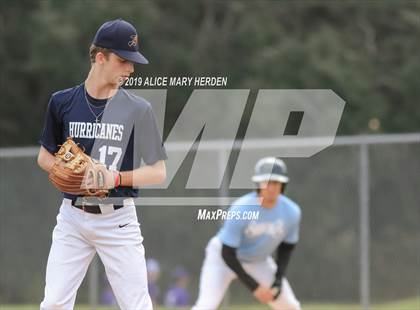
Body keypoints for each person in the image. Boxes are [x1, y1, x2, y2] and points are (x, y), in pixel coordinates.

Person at [37, 18, 167, 310]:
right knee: (54, 303)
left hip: (118, 220)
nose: (131, 69)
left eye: (133, 62)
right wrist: (76, 174)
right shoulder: (62, 102)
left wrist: (115, 179)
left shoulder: (138, 109)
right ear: (100, 57)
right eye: (123, 60)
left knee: (137, 305)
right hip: (72, 217)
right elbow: (44, 156)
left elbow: (158, 172)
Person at [192, 157, 302, 310]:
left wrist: (277, 281)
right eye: (266, 182)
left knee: (290, 306)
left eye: (276, 183)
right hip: (222, 260)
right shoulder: (241, 209)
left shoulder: (291, 212)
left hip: (258, 261)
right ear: (258, 184)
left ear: (283, 185)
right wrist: (255, 287)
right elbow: (227, 253)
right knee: (207, 305)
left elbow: (286, 248)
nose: (271, 188)